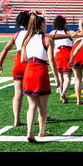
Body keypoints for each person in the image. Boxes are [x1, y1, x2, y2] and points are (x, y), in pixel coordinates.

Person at [20, 13, 60, 143]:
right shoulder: (47, 39)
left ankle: (29, 133)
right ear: (42, 25)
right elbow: (52, 60)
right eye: (45, 24)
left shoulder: (26, 39)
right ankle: (42, 132)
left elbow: (23, 59)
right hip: (40, 72)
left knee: (31, 105)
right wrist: (57, 77)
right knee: (43, 106)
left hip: (29, 71)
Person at [0, 11, 30, 126]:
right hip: (29, 63)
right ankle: (42, 114)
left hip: (18, 64)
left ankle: (16, 119)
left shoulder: (16, 35)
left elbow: (5, 49)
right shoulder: (34, 33)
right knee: (34, 93)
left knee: (18, 94)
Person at [49, 16, 83, 103]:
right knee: (67, 77)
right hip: (67, 54)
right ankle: (63, 93)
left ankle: (61, 93)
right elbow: (82, 34)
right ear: (64, 24)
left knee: (60, 77)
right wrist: (80, 25)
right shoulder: (68, 32)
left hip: (57, 54)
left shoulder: (53, 32)